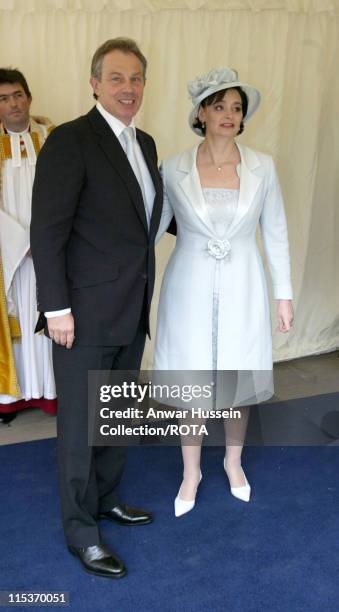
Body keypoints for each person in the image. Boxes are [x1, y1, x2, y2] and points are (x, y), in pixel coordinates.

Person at [30, 38, 163, 578]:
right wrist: (56, 307)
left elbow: (141, 222)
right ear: (94, 83)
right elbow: (48, 230)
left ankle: (105, 500)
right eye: (115, 78)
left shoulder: (147, 143)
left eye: (135, 79)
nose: (127, 88)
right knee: (81, 428)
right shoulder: (71, 140)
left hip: (130, 310)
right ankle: (81, 532)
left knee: (115, 418)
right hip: (81, 315)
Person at [154, 67, 294, 516]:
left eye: (236, 107)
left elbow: (275, 233)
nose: (229, 114)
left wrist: (283, 295)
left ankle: (234, 462)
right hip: (188, 284)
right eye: (219, 106)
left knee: (238, 374)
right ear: (201, 112)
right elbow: (150, 231)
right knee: (192, 377)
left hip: (244, 282)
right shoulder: (173, 167)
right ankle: (191, 470)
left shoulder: (262, 166)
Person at [0, 68, 56, 419]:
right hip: (7, 256)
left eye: (18, 95)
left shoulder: (54, 137)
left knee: (49, 316)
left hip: (52, 251)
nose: (13, 104)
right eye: (3, 99)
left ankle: (51, 393)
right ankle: (9, 400)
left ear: (30, 97)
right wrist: (21, 241)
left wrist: (47, 238)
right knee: (14, 320)